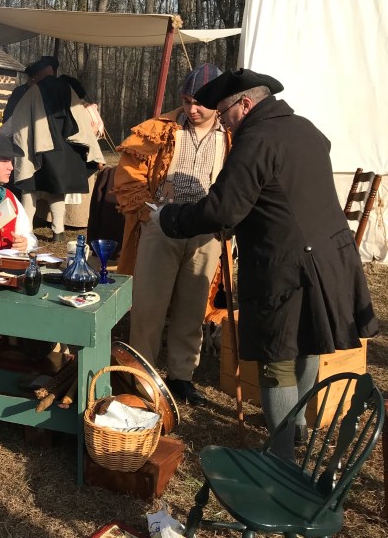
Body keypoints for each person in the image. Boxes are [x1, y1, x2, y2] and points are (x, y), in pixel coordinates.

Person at [158, 68, 378, 460]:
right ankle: (295, 428)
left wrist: (170, 217)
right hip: (331, 256)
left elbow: (224, 208)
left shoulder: (256, 138)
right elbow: (277, 192)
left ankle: (281, 457)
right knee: (308, 345)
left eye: (225, 111)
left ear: (246, 104)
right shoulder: (306, 128)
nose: (222, 120)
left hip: (287, 264)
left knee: (278, 359)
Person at [113, 63, 228, 406]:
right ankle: (140, 376)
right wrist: (150, 214)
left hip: (206, 232)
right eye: (188, 100)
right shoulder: (159, 130)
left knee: (192, 307)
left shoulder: (233, 135)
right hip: (161, 227)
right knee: (149, 306)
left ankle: (181, 377)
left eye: (201, 103)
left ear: (219, 102)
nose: (193, 109)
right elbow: (130, 175)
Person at [0, 55, 101, 242]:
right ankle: (58, 231)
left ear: (37, 74)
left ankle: (26, 231)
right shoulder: (68, 90)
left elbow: (17, 120)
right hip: (62, 153)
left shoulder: (32, 92)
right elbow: (81, 121)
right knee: (56, 190)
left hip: (36, 151)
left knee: (30, 189)